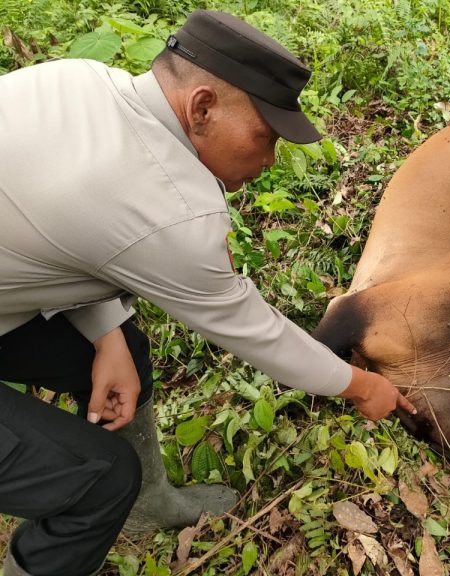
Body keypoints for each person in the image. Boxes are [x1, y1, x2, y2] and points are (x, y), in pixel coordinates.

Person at [0, 10, 416, 576]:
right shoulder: (173, 211)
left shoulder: (76, 79)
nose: (269, 162)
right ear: (201, 108)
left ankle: (150, 505)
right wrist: (364, 385)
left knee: (125, 350)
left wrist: (105, 332)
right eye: (264, 137)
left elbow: (60, 226)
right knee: (100, 479)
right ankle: (90, 521)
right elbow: (258, 333)